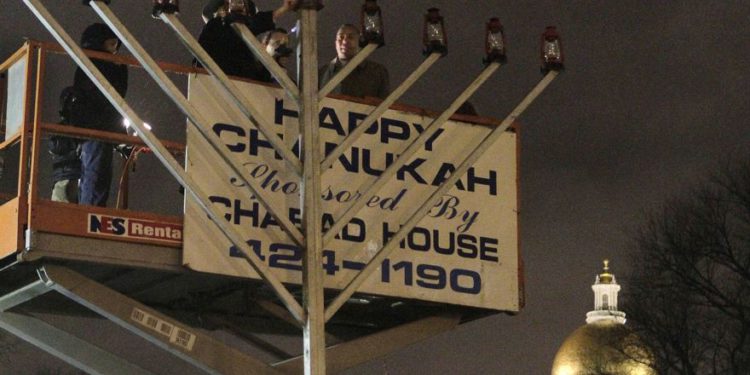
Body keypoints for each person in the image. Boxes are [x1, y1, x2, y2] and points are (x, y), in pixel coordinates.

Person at [73, 23, 128, 207]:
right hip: (96, 131)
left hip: (100, 132)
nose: (115, 51)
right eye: (111, 45)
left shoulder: (91, 66)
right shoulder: (95, 67)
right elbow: (109, 100)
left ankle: (90, 214)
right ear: (98, 44)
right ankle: (88, 218)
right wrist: (119, 69)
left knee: (98, 178)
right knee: (95, 178)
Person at [197, 0, 296, 80]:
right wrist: (282, 10)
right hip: (215, 82)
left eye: (243, 5)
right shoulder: (216, 28)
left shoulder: (246, 42)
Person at [319, 24, 389, 99]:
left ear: (359, 41)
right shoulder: (322, 73)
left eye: (350, 37)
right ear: (335, 43)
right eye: (341, 37)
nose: (345, 41)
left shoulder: (377, 71)